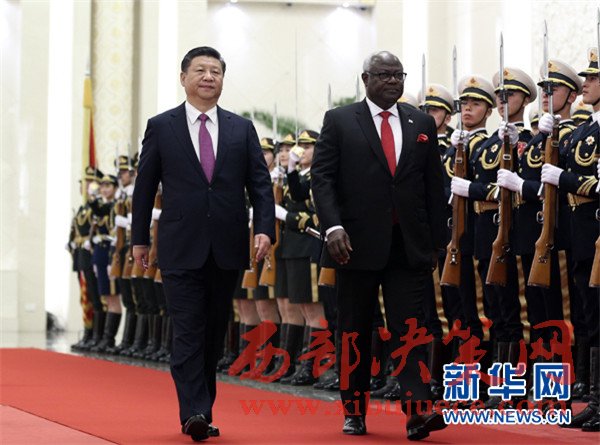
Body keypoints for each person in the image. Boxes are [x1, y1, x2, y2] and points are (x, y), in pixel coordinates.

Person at [131, 46, 275, 442]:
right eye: (200, 70)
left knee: (213, 331)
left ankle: (202, 408)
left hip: (227, 245)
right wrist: (139, 239)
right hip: (180, 245)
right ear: (184, 78)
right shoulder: (162, 126)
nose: (208, 77)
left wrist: (264, 229)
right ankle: (194, 412)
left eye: (216, 71)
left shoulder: (241, 128)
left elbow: (260, 185)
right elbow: (144, 187)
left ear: (222, 80)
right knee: (188, 328)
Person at [311, 50, 447, 441]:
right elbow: (322, 178)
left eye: (398, 75)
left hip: (408, 245)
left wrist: (437, 242)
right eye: (384, 74)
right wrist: (332, 227)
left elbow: (433, 184)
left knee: (410, 329)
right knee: (355, 330)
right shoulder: (340, 120)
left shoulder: (420, 122)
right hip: (353, 245)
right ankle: (354, 410)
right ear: (366, 79)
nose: (392, 81)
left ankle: (417, 410)